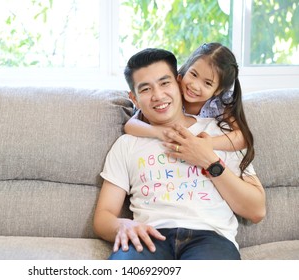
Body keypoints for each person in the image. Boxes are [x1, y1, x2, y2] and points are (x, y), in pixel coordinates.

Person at [93, 48, 265, 260]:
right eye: (145, 89)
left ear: (178, 82)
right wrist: (121, 224)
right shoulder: (127, 144)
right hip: (149, 237)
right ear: (134, 99)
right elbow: (103, 217)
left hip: (211, 240)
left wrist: (209, 160)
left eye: (165, 83)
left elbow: (256, 210)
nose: (158, 95)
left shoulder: (222, 135)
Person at [124, 43, 253, 176]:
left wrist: (207, 144)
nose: (195, 86)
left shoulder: (219, 104)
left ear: (218, 90)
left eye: (207, 83)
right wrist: (158, 131)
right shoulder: (171, 91)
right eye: (194, 74)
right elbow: (130, 125)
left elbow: (242, 138)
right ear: (185, 71)